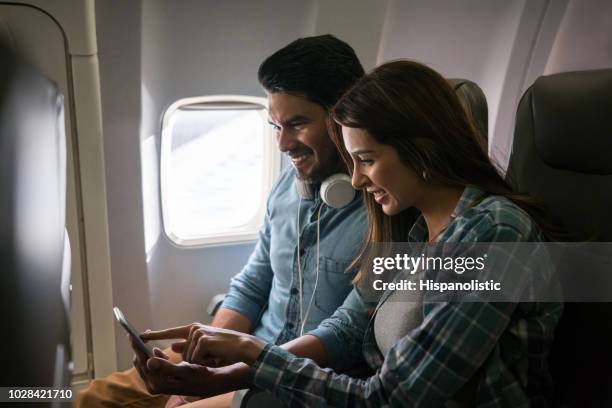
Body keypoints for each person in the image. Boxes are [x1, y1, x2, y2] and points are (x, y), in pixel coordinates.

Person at [137, 60, 563, 407]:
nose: (356, 181)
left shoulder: (494, 234)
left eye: (367, 159)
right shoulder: (415, 234)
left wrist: (253, 354)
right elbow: (348, 328)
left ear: (423, 149)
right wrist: (225, 374)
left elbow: (391, 398)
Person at [76, 34, 371, 408]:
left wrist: (227, 372)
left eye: (296, 124)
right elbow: (252, 285)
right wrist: (204, 351)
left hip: (288, 377)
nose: (283, 144)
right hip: (243, 354)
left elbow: (350, 332)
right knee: (94, 398)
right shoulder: (286, 187)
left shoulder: (385, 211)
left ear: (342, 117)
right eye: (275, 127)